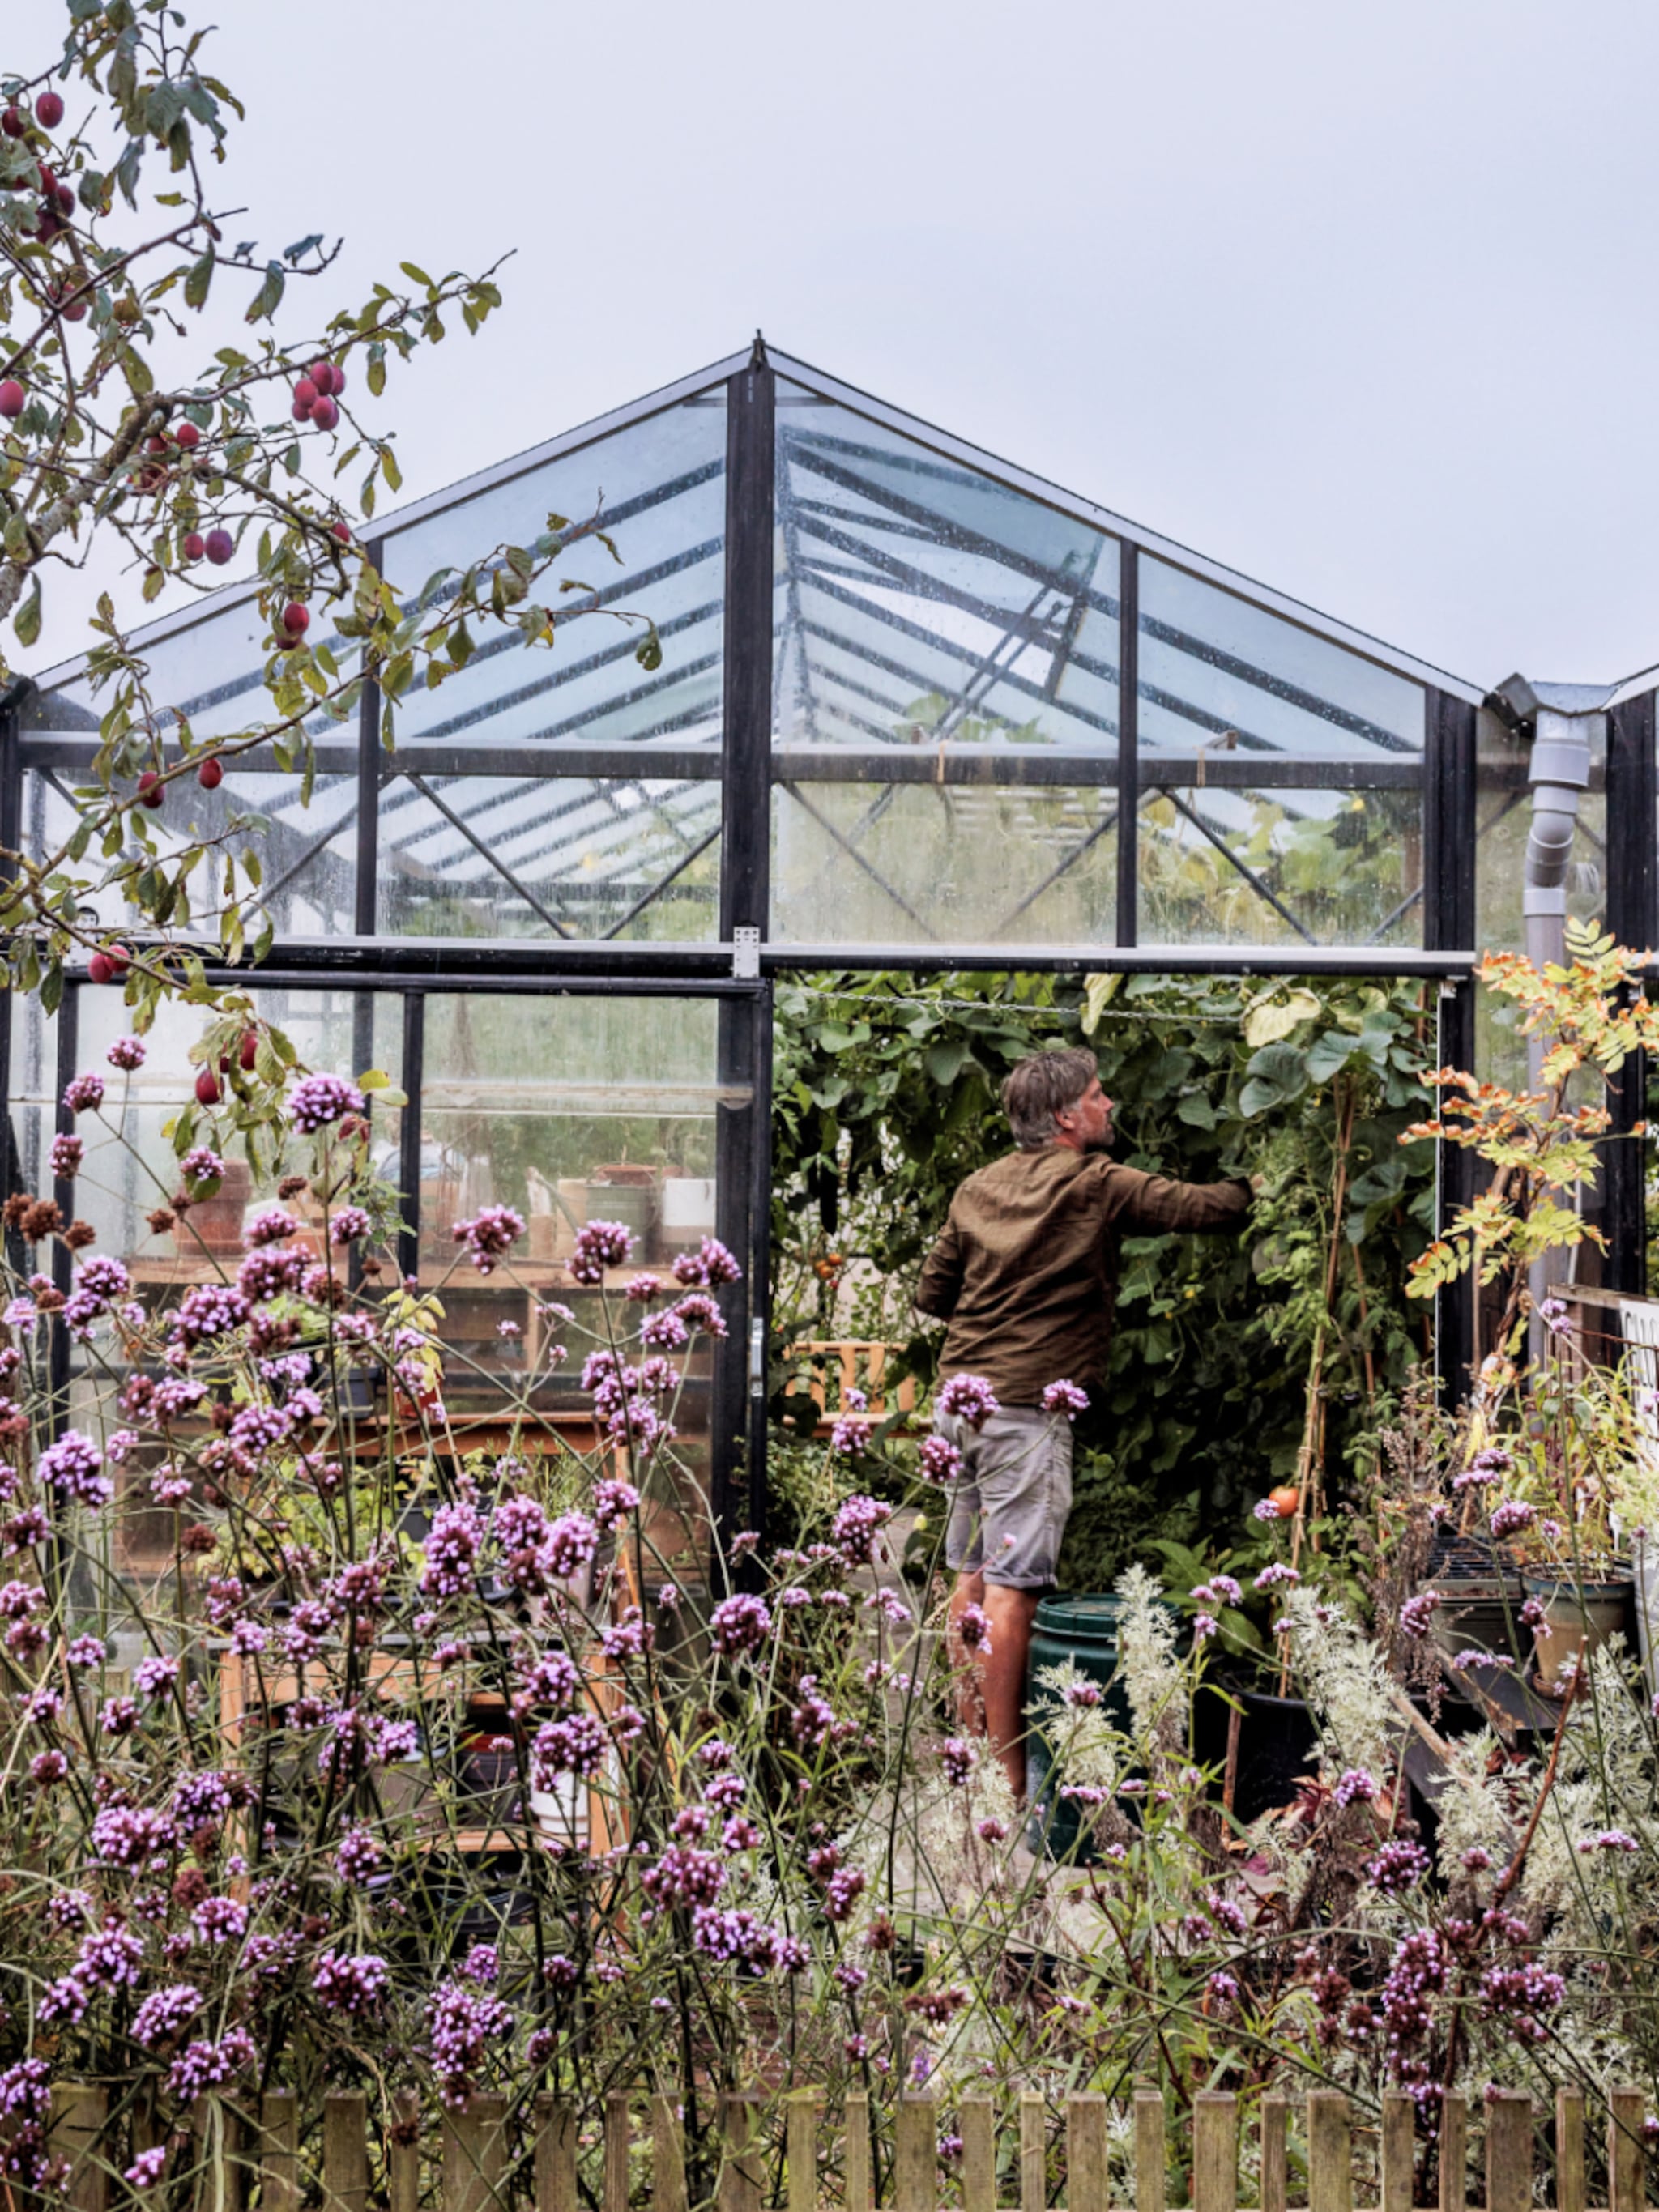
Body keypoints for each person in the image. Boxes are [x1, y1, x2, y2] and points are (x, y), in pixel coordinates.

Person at [915, 1046, 1252, 1796]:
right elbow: (1199, 1208)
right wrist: (1262, 1185)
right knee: (1012, 1589)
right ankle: (1005, 1782)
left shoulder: (976, 1187)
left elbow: (934, 1292)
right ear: (1067, 1115)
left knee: (966, 1577)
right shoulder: (1093, 1182)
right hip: (1025, 1410)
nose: (1109, 1106)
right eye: (1099, 1096)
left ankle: (970, 1760)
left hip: (958, 1405)